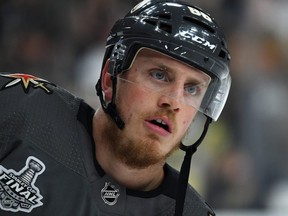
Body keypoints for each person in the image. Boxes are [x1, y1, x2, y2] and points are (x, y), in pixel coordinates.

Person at [0, 0, 231, 215]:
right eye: (159, 75)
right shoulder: (18, 109)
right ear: (110, 79)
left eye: (192, 89)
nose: (174, 102)